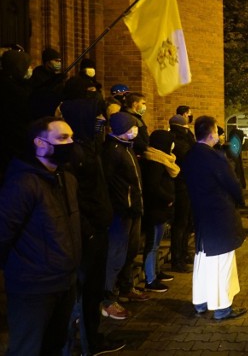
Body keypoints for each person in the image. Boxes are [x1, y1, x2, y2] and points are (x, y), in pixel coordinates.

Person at [0, 117, 82, 355]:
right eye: (62, 138)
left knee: (54, 345)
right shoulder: (23, 183)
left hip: (64, 281)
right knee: (28, 349)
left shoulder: (66, 179)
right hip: (32, 288)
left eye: (72, 137)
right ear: (40, 143)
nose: (71, 143)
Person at [60, 98, 125, 354]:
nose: (102, 122)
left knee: (93, 292)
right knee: (84, 294)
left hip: (98, 230)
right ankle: (85, 343)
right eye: (97, 117)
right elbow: (73, 197)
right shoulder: (75, 152)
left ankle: (92, 339)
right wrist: (86, 230)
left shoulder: (89, 147)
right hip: (87, 235)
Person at [182, 116, 248, 321]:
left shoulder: (189, 155)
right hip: (220, 215)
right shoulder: (215, 158)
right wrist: (239, 199)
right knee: (222, 262)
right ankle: (222, 307)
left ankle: (201, 301)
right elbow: (232, 184)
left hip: (201, 214)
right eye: (217, 132)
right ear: (211, 134)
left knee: (203, 259)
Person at [102, 112, 150, 321]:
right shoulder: (113, 151)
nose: (136, 131)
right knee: (115, 256)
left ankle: (126, 287)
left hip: (132, 210)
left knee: (129, 252)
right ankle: (108, 299)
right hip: (121, 213)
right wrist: (120, 206)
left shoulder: (127, 149)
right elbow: (110, 183)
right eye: (132, 127)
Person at [141, 130, 179, 293]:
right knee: (153, 244)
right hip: (155, 209)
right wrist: (167, 198)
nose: (173, 145)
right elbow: (152, 186)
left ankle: (156, 272)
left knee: (156, 244)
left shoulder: (161, 159)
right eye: (171, 142)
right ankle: (150, 279)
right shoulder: (154, 161)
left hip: (160, 210)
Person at [0, 49, 33, 182]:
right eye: (27, 66)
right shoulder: (13, 91)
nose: (30, 69)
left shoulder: (18, 87)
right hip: (10, 152)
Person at [169, 114, 196, 272]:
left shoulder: (182, 141)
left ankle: (183, 254)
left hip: (186, 185)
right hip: (181, 186)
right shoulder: (178, 143)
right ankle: (177, 259)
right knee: (180, 224)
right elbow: (191, 155)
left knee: (186, 223)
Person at [30, 47, 66, 119]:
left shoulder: (54, 75)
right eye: (56, 61)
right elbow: (42, 91)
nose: (59, 63)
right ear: (47, 62)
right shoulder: (38, 74)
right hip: (41, 113)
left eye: (60, 61)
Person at [121, 92, 149, 156]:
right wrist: (147, 148)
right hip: (136, 153)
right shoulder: (129, 119)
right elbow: (135, 139)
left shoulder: (136, 117)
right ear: (135, 104)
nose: (145, 106)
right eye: (143, 103)